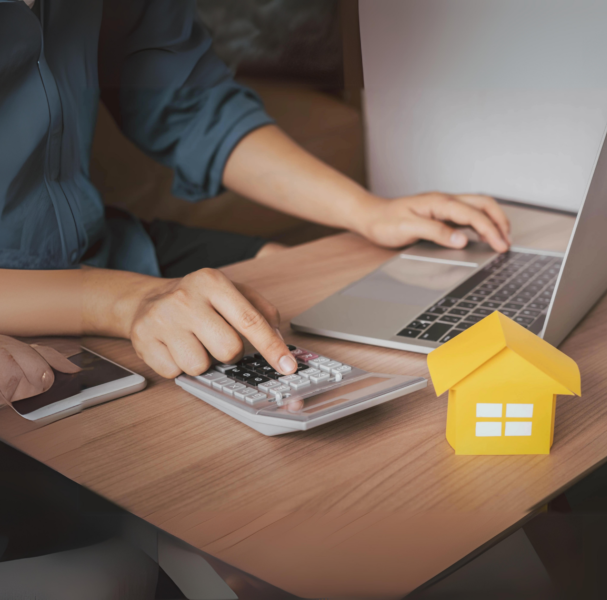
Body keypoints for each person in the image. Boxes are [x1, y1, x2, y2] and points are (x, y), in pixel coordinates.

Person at [0, 0, 511, 400]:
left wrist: (368, 211)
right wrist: (126, 300)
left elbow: (187, 100)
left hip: (102, 245)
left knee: (320, 296)